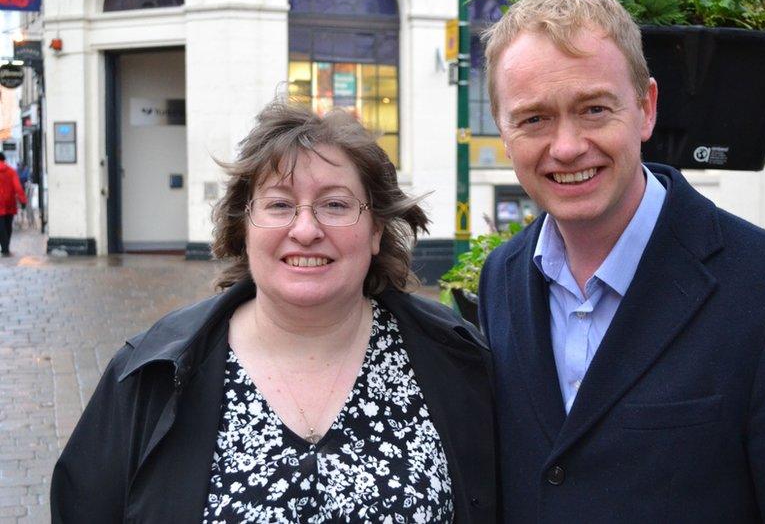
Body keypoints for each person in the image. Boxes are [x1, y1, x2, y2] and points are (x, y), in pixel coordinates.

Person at [477, 0, 765, 522]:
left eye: (594, 109)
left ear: (646, 109)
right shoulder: (501, 278)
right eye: (533, 119)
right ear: (504, 131)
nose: (567, 146)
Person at [51, 101, 495, 523]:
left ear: (376, 230)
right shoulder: (149, 375)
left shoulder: (454, 360)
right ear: (243, 227)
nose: (305, 230)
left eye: (335, 205)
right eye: (280, 204)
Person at [0, 154, 27, 257]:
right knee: (8, 225)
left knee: (1, 226)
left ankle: (5, 248)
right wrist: (23, 200)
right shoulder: (11, 171)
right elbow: (18, 187)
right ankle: (6, 247)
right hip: (9, 203)